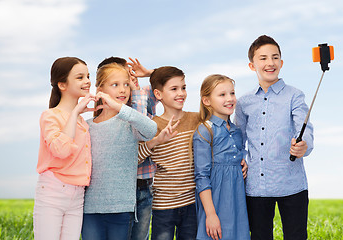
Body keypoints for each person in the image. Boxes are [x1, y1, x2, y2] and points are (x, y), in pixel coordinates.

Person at [234, 35, 314, 240]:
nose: (270, 63)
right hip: (257, 187)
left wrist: (303, 145)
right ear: (252, 65)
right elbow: (238, 138)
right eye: (263, 58)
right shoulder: (244, 102)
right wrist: (240, 158)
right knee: (260, 236)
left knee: (296, 236)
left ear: (281, 62)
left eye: (275, 57)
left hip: (291, 183)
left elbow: (305, 129)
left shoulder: (295, 95)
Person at [81, 63, 157, 240]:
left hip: (122, 208)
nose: (123, 90)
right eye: (115, 85)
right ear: (99, 88)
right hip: (90, 209)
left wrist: (120, 108)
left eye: (126, 85)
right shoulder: (87, 126)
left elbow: (151, 130)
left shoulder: (129, 123)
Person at [33, 57, 96, 240]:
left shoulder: (82, 122)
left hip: (77, 195)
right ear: (62, 84)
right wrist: (75, 112)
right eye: (80, 77)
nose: (87, 81)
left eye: (88, 76)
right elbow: (61, 150)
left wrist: (77, 115)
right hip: (53, 191)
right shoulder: (50, 116)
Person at [138, 66, 199, 240]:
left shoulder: (196, 119)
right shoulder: (152, 125)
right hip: (163, 206)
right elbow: (135, 157)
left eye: (184, 87)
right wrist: (156, 141)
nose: (181, 93)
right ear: (158, 94)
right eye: (174, 89)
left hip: (192, 204)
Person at [193, 74, 251, 240]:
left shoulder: (236, 131)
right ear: (206, 101)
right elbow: (201, 177)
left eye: (232, 93)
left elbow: (236, 156)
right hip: (216, 201)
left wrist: (242, 162)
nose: (230, 98)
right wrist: (210, 214)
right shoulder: (205, 130)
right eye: (222, 95)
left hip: (237, 199)